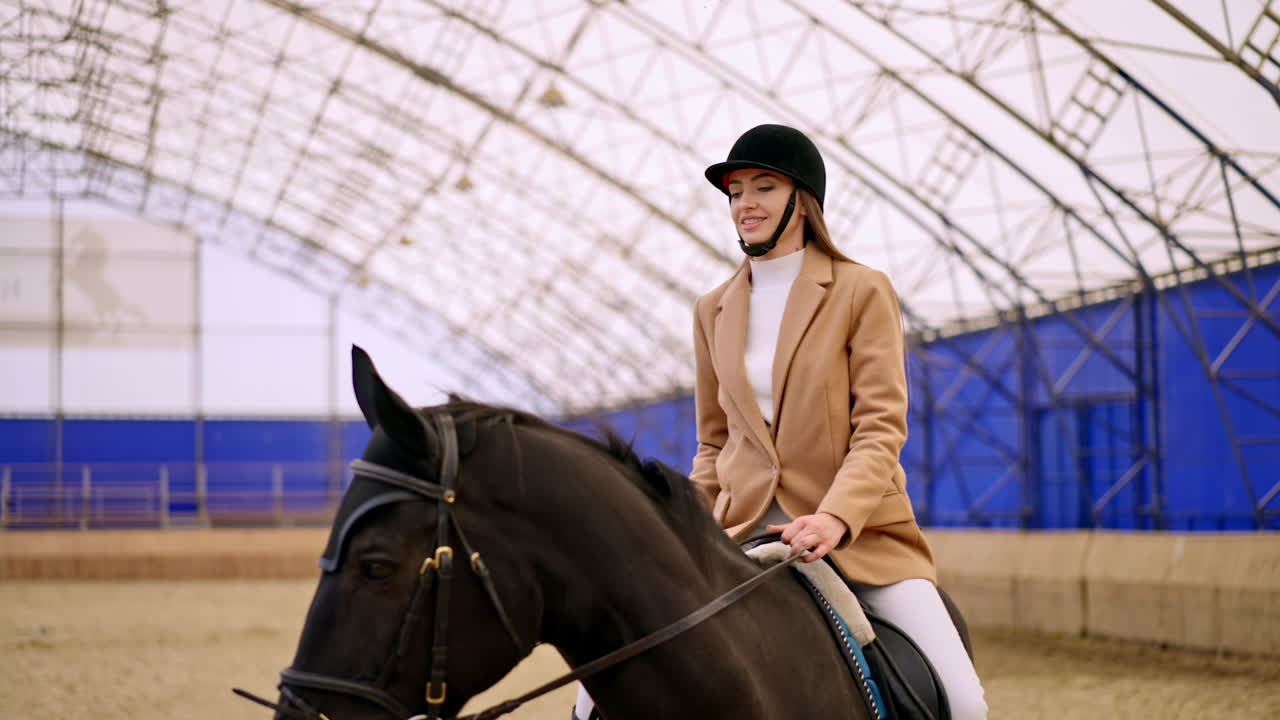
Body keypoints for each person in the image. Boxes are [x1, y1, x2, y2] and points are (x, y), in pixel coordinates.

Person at [574, 123, 987, 720]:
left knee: (966, 704)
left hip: (857, 537)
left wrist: (834, 518)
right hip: (738, 533)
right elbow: (714, 443)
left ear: (803, 200)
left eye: (763, 187)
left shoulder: (860, 290)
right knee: (597, 692)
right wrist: (679, 525)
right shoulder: (711, 309)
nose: (745, 205)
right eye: (736, 191)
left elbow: (879, 427)